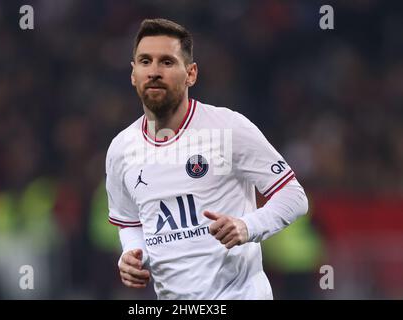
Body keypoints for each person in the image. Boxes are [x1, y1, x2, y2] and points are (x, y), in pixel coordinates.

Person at [105, 18, 308, 299]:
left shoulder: (225, 129)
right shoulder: (121, 149)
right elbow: (129, 222)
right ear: (133, 74)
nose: (153, 71)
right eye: (145, 61)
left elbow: (294, 197)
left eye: (166, 62)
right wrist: (131, 254)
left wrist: (248, 226)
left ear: (191, 74)